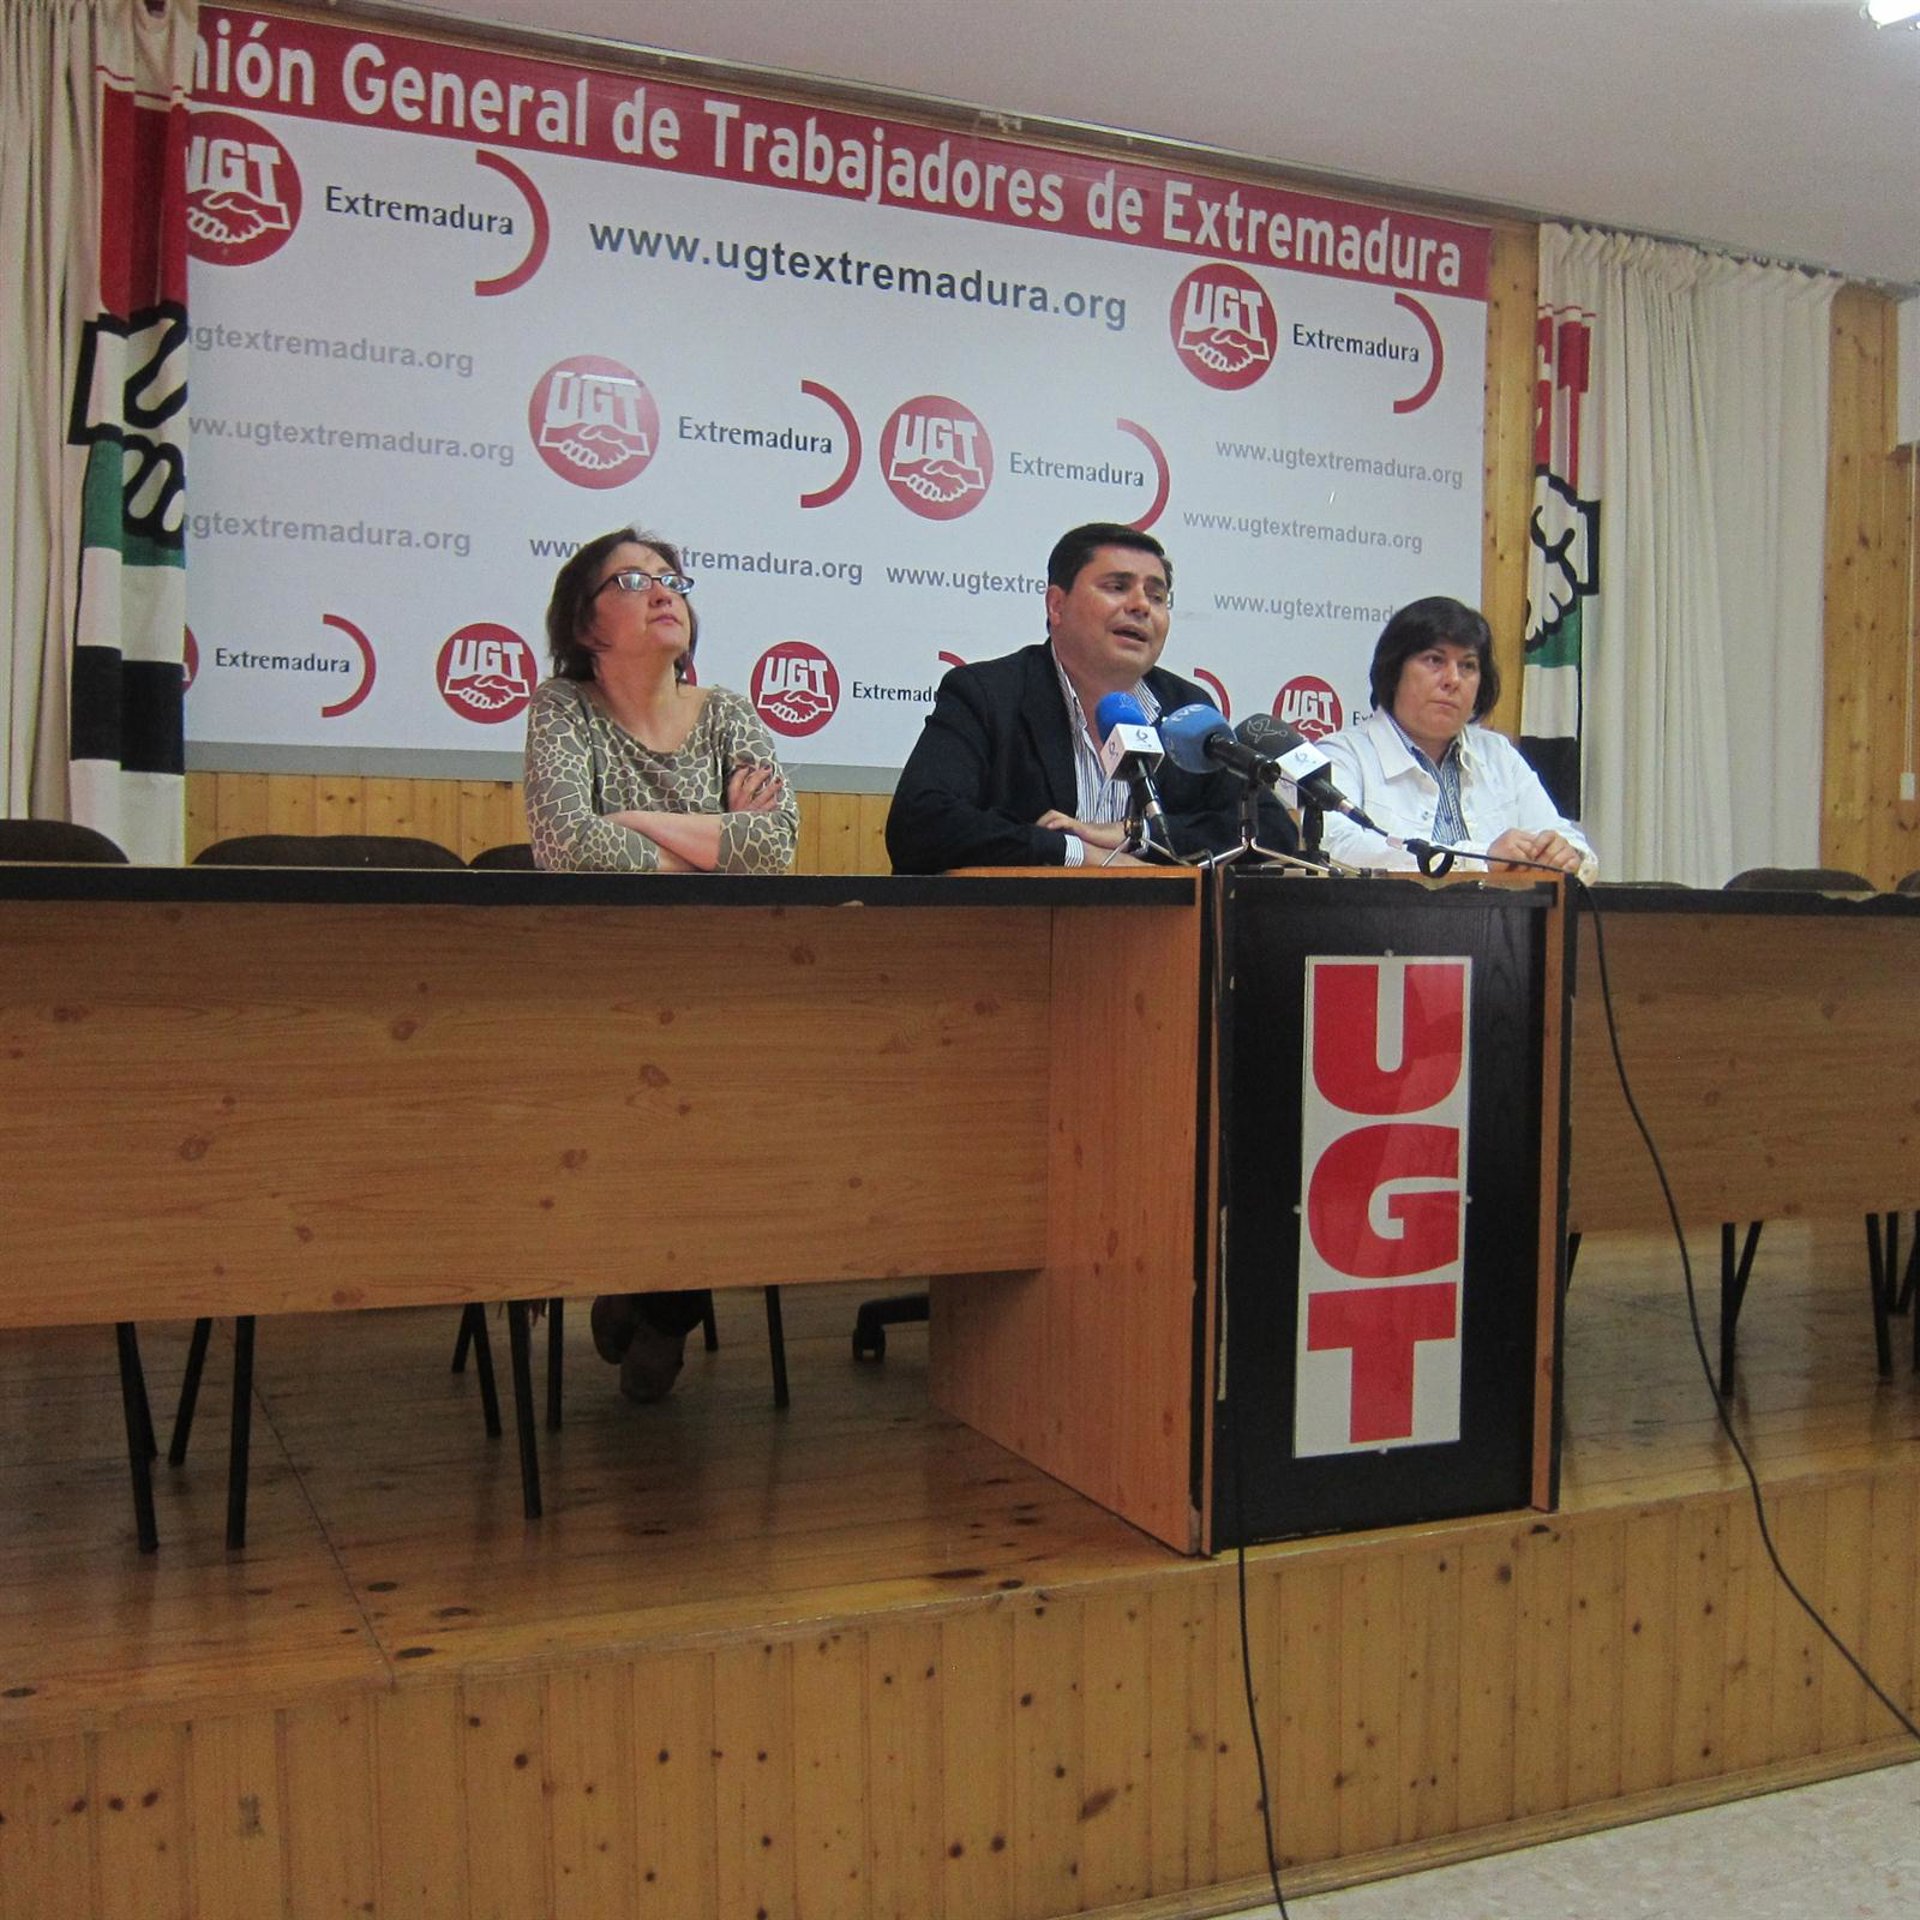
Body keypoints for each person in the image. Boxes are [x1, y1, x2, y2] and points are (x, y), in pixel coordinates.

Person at [524, 527, 800, 1401]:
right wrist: (713, 843)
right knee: (645, 1100)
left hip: (718, 986)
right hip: (595, 991)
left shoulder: (727, 713)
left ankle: (654, 1301)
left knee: (723, 1099)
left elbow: (775, 847)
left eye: (671, 578)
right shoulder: (562, 709)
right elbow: (569, 849)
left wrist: (633, 822)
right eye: (631, 580)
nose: (662, 591)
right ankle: (655, 1295)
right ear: (585, 623)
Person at [885, 522, 1296, 872]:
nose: (1141, 606)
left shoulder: (1185, 709)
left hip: (1159, 937)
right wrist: (1076, 852)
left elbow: (1272, 832)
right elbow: (920, 824)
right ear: (1057, 605)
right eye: (1117, 587)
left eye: (1157, 596)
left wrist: (1138, 835)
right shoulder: (989, 695)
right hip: (1012, 932)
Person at [1316, 596, 1597, 880]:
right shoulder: (1342, 754)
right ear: (1394, 670)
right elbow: (1336, 847)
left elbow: (1567, 840)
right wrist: (1480, 859)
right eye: (1434, 660)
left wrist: (1565, 854)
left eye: (1468, 666)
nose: (1453, 679)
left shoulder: (1498, 754)